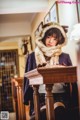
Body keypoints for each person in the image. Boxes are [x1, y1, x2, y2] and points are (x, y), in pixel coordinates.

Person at [23, 22, 78, 120]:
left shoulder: (65, 56)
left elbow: (72, 78)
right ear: (43, 37)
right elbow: (27, 77)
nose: (51, 41)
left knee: (59, 111)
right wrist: (26, 98)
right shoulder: (32, 56)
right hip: (39, 95)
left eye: (54, 38)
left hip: (61, 95)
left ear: (59, 41)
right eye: (48, 37)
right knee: (44, 113)